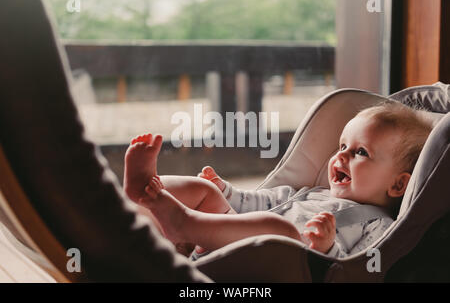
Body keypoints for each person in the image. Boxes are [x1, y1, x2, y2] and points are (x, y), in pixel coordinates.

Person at [123, 101, 433, 259]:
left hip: (276, 269)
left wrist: (327, 250)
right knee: (202, 190)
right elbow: (261, 201)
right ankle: (143, 192)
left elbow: (357, 273)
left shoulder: (381, 226)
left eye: (360, 152)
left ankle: (183, 223)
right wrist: (225, 190)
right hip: (226, 242)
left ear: (397, 185)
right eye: (342, 147)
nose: (341, 157)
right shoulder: (311, 194)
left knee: (281, 230)